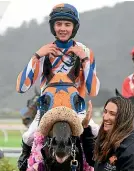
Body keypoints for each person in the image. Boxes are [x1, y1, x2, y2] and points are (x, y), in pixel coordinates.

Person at [16, 3, 100, 171]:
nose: (63, 28)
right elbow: (21, 87)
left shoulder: (85, 51)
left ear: (74, 27)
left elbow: (93, 91)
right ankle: (24, 164)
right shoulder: (44, 51)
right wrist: (37, 55)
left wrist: (84, 60)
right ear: (53, 26)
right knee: (29, 135)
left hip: (77, 110)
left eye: (67, 24)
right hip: (47, 109)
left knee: (97, 133)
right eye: (58, 24)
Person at [81, 95, 134, 171]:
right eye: (105, 111)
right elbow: (95, 159)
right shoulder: (109, 140)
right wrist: (85, 127)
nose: (105, 117)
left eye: (112, 114)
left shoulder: (132, 151)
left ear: (124, 118)